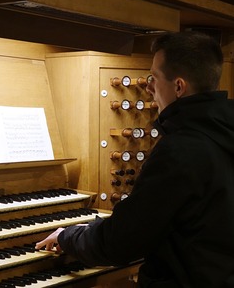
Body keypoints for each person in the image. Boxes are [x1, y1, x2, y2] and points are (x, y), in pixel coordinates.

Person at [36, 31, 234, 288]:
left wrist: (69, 237)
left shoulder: (181, 149)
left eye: (154, 78)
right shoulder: (222, 132)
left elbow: (121, 243)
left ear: (178, 87)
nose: (148, 87)